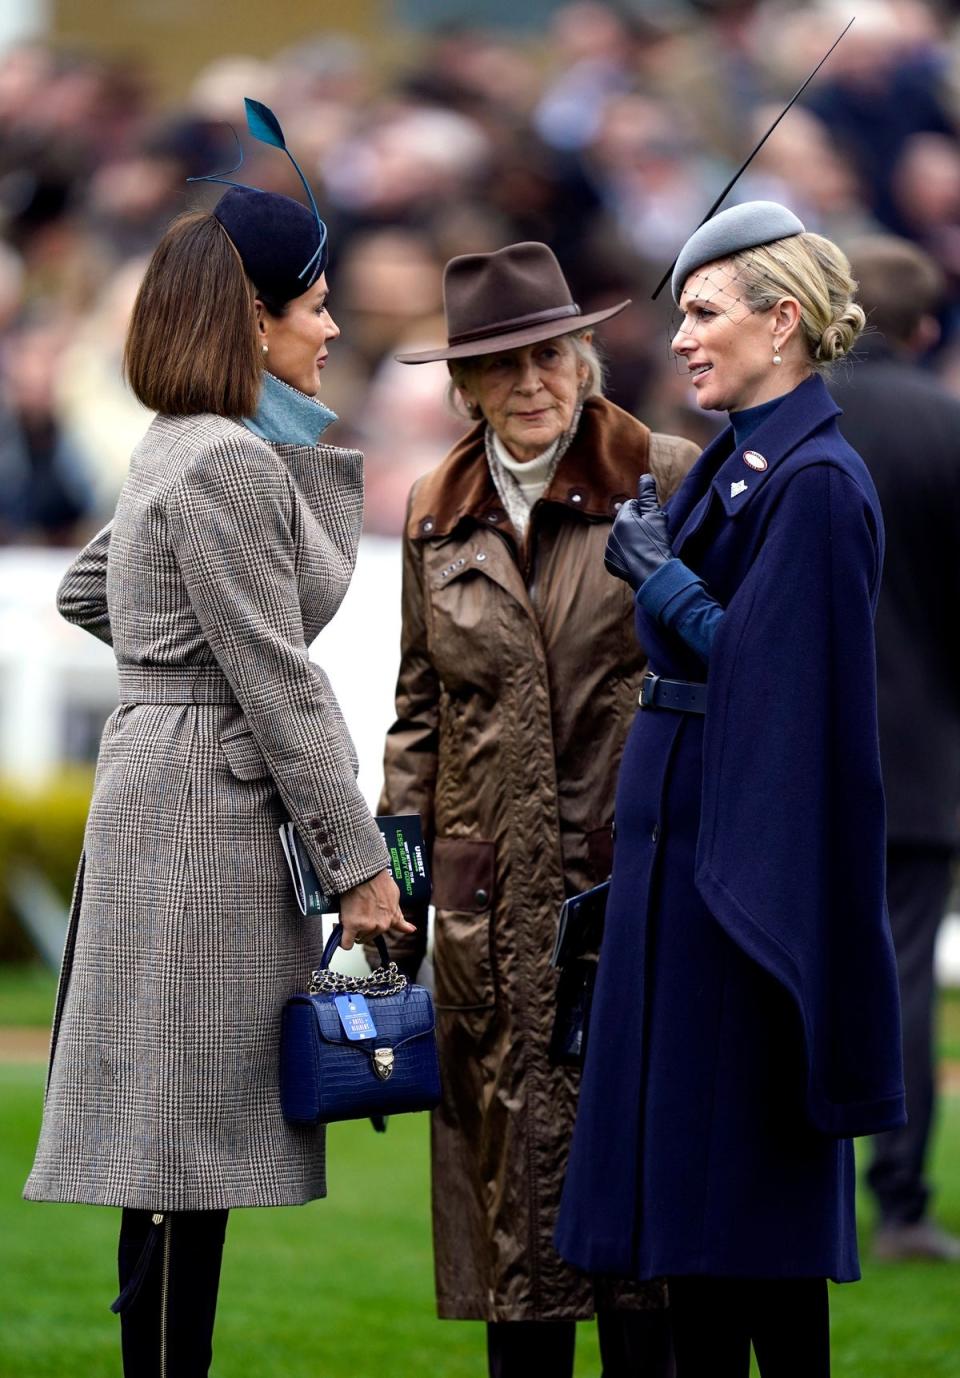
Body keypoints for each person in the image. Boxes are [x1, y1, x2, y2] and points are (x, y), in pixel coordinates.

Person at [24, 100, 414, 1377]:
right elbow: (281, 681)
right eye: (314, 306)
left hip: (155, 790)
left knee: (163, 1154)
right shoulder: (231, 464)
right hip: (203, 815)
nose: (335, 326)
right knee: (186, 1150)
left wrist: (160, 667)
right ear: (256, 318)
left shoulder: (173, 450)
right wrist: (361, 869)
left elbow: (99, 591)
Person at [556, 202, 905, 1378]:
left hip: (737, 886)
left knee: (743, 1215)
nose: (686, 337)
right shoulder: (746, 463)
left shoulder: (816, 480)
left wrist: (658, 578)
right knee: (697, 1222)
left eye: (706, 312)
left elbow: (768, 680)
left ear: (784, 321)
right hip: (688, 873)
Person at [383, 240, 699, 1378]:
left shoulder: (662, 472)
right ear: (464, 387)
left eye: (550, 356)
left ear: (586, 357)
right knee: (511, 1229)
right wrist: (400, 892)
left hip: (626, 897)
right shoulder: (434, 504)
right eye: (503, 366)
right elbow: (417, 715)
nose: (531, 384)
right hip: (486, 912)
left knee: (640, 1240)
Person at [829, 235, 960, 1262]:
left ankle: (800, 1185)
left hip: (795, 753)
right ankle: (902, 1203)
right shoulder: (946, 426)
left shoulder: (782, 423)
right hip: (918, 759)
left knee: (795, 968)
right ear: (926, 327)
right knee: (901, 972)